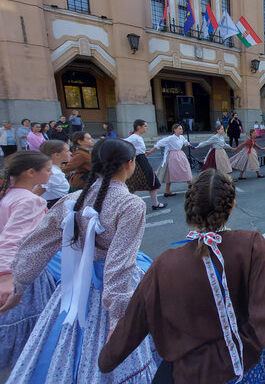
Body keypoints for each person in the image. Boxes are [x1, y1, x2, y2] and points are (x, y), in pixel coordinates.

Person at [98, 168, 265, 383]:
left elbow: (134, 321)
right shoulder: (249, 246)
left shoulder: (164, 263)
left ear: (190, 208)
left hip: (190, 374)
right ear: (232, 206)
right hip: (244, 367)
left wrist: (108, 357)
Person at [1, 139, 160, 383]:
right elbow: (119, 265)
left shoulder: (71, 200)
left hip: (75, 287)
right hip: (110, 291)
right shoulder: (130, 204)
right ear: (130, 164)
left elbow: (35, 245)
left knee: (63, 345)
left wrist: (19, 286)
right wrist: (119, 319)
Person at [0, 151, 54, 372]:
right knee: (34, 335)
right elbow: (12, 241)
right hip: (23, 273)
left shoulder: (11, 196)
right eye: (48, 170)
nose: (51, 174)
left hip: (14, 270)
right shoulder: (31, 201)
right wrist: (6, 278)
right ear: (31, 172)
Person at [124, 119, 166, 210]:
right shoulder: (134, 137)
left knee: (146, 181)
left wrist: (141, 152)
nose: (146, 128)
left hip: (141, 159)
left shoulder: (137, 137)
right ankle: (129, 205)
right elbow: (123, 143)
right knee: (141, 181)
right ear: (139, 127)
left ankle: (155, 203)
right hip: (140, 161)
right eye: (145, 126)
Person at [146, 123, 192, 197]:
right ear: (174, 130)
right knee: (170, 172)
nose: (181, 130)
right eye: (179, 129)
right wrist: (150, 151)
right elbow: (159, 143)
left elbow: (185, 142)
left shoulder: (181, 137)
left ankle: (191, 185)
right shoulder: (171, 138)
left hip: (180, 155)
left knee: (185, 169)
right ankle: (168, 191)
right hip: (173, 156)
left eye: (182, 129)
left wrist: (191, 145)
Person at [39, 140, 72, 208]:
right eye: (67, 151)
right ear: (57, 155)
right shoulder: (53, 173)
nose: (70, 153)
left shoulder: (55, 171)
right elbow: (36, 192)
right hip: (53, 207)